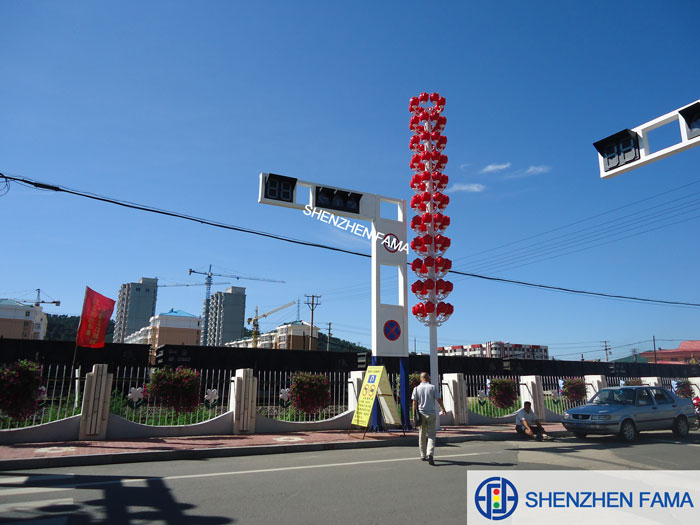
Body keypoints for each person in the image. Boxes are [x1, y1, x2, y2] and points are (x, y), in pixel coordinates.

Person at [412, 372, 447, 465]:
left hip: (421, 414)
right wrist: (443, 409)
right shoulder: (433, 387)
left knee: (422, 434)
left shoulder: (416, 389)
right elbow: (439, 400)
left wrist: (414, 415)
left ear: (420, 379)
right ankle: (430, 453)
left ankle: (423, 455)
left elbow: (414, 402)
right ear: (428, 378)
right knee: (431, 435)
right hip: (431, 414)